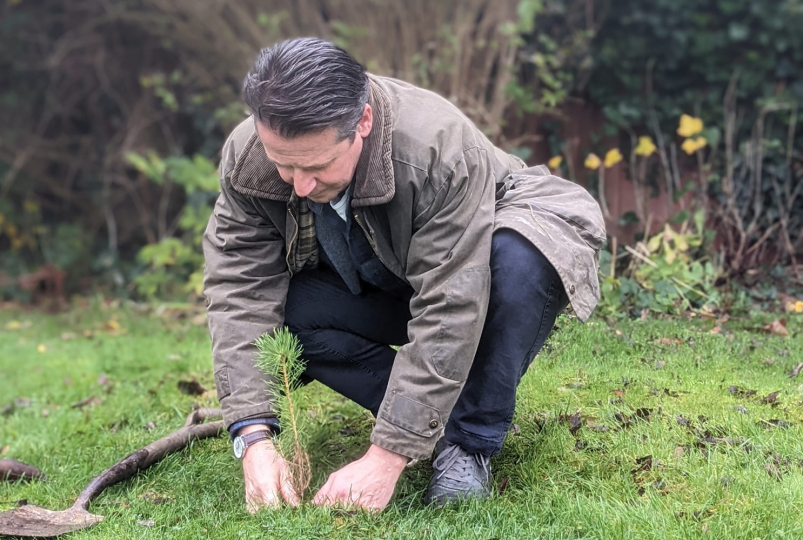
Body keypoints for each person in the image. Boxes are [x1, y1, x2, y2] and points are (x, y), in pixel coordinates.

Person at [203, 37, 605, 512]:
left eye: (316, 166)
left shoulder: (438, 149)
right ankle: (441, 421)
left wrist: (386, 456)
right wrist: (253, 436)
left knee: (518, 259)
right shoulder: (248, 155)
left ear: (363, 123)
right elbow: (240, 287)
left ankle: (469, 443)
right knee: (291, 312)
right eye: (283, 165)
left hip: (496, 246)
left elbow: (451, 302)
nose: (301, 185)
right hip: (388, 274)